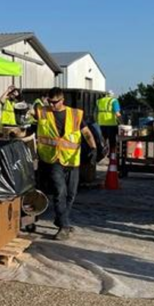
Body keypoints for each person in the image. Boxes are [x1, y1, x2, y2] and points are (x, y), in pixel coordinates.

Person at [35, 88, 98, 240]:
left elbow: (87, 133)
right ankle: (64, 226)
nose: (52, 105)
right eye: (49, 102)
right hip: (53, 159)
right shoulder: (42, 112)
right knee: (60, 191)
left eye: (54, 102)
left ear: (62, 100)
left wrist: (93, 148)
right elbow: (26, 117)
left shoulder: (75, 114)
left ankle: (60, 219)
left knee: (71, 193)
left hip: (71, 159)